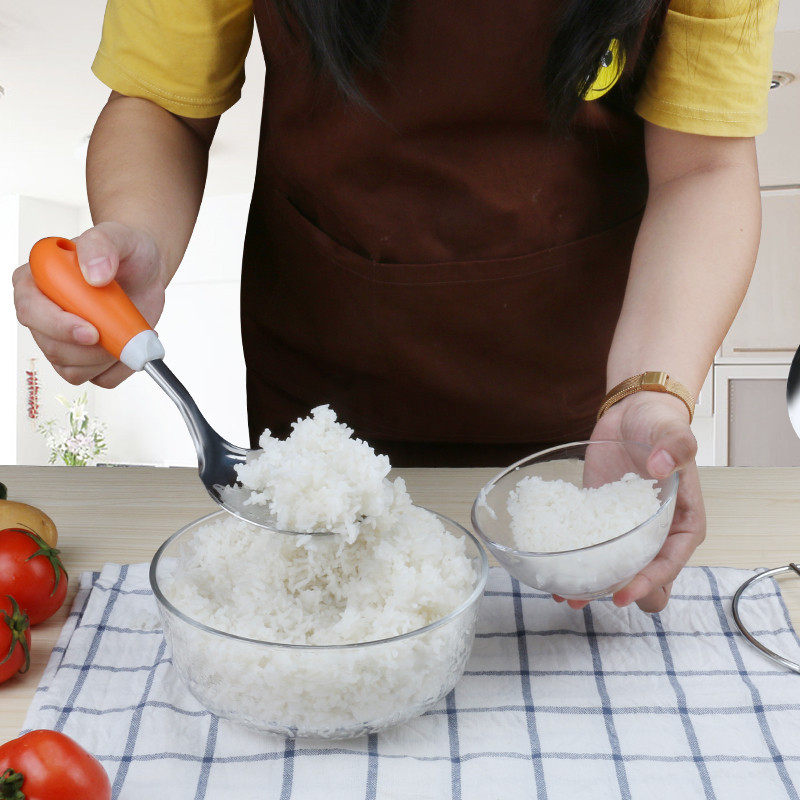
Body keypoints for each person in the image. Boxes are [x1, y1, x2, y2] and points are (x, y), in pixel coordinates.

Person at [13, 0, 779, 612]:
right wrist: (136, 236)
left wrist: (651, 387)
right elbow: (161, 101)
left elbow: (704, 166)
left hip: (585, 399)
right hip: (323, 380)